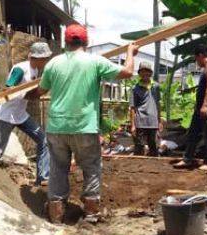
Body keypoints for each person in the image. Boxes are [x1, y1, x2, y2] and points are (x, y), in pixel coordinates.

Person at [37, 24, 138, 223]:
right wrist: (130, 52)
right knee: (91, 167)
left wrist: (22, 95)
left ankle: (56, 213)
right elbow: (127, 72)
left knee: (58, 168)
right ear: (86, 42)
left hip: (57, 127)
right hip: (84, 126)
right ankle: (91, 213)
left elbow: (40, 91)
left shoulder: (53, 64)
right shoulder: (95, 62)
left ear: (66, 42)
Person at [0, 42, 51, 186]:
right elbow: (9, 89)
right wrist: (25, 92)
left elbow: (30, 94)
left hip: (20, 114)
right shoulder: (21, 69)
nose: (45, 62)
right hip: (8, 114)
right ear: (36, 58)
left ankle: (43, 178)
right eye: (44, 59)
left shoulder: (35, 71)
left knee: (44, 140)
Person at [173, 44, 207, 171]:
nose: (196, 61)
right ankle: (187, 159)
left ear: (200, 56)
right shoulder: (206, 68)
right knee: (193, 133)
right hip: (201, 108)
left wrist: (205, 105)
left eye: (196, 59)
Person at [130, 61, 163, 156]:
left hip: (152, 122)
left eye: (147, 71)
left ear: (150, 73)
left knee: (153, 147)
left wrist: (159, 121)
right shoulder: (135, 88)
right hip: (140, 121)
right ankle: (138, 169)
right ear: (139, 73)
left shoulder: (155, 87)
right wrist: (133, 125)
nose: (145, 73)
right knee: (139, 147)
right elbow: (132, 107)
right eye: (142, 71)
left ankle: (153, 169)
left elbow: (158, 104)